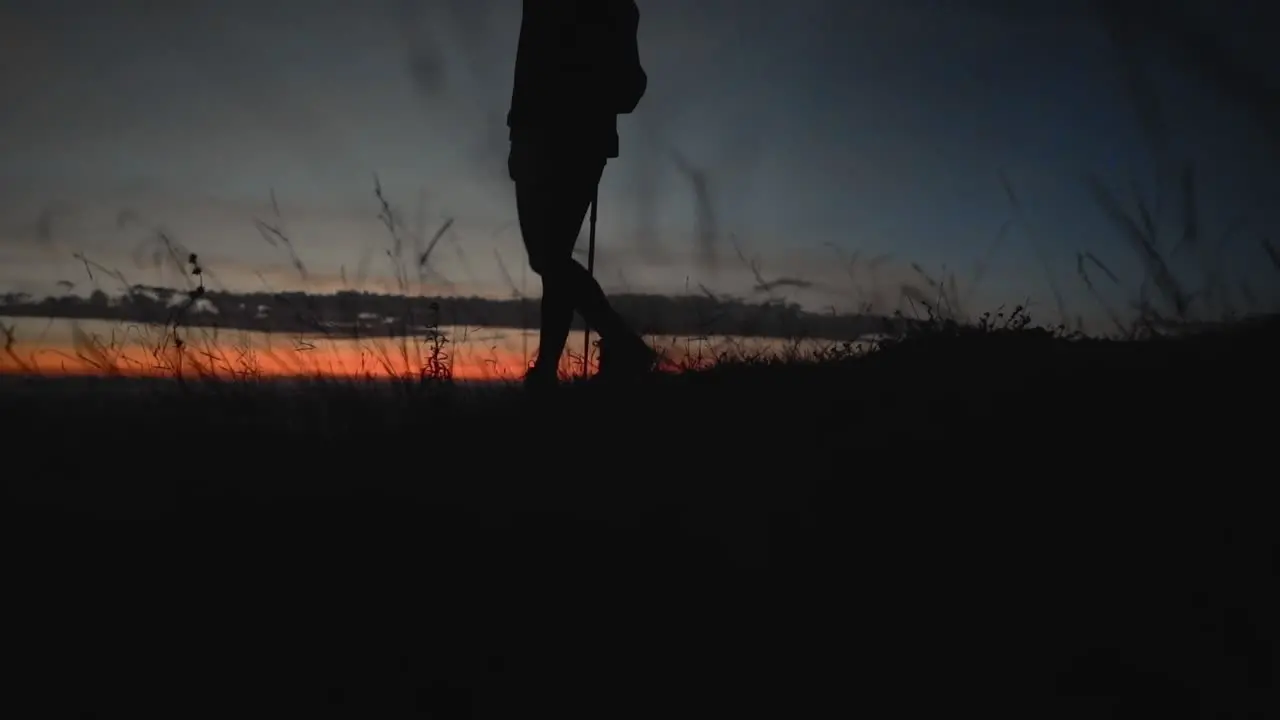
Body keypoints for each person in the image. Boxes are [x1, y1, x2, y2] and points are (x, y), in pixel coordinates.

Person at [506, 0, 657, 392]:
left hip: (569, 140)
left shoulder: (617, 8)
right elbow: (529, 67)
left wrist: (593, 83)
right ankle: (547, 372)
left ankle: (620, 344)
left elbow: (630, 87)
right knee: (552, 258)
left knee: (548, 256)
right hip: (548, 138)